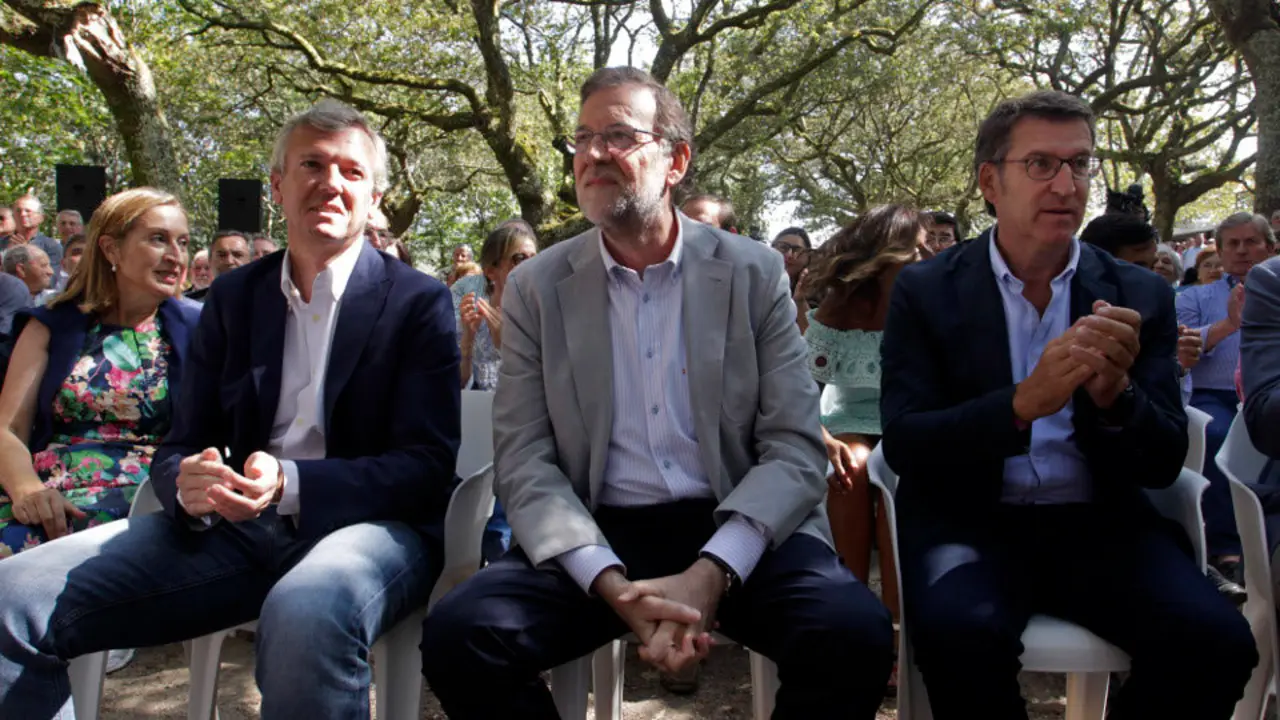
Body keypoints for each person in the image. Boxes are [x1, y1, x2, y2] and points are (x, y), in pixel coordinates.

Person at [421, 66, 894, 719]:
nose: (593, 153)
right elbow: (524, 458)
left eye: (618, 135)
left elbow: (793, 446)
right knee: (461, 637)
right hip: (593, 526)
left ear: (676, 161)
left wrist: (711, 572)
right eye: (582, 138)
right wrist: (611, 584)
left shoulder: (753, 273)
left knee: (854, 635)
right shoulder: (537, 288)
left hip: (738, 519)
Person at [0, 99, 461, 719]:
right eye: (312, 164)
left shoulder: (417, 302)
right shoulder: (234, 297)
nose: (331, 183)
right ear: (277, 185)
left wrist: (290, 481)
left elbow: (426, 466)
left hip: (373, 530)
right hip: (231, 533)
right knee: (13, 596)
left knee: (306, 611)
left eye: (351, 171)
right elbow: (180, 444)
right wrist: (188, 484)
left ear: (373, 196)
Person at [881, 89, 1256, 718]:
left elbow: (1163, 460)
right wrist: (1021, 404)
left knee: (1216, 642)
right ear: (990, 183)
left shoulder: (1137, 292)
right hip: (970, 523)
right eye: (1041, 164)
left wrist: (1115, 398)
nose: (1066, 184)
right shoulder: (927, 290)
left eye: (1080, 164)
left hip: (1101, 524)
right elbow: (908, 441)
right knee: (959, 636)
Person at [0, 188, 200, 556]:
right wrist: (29, 491)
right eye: (159, 239)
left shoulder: (198, 329)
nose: (176, 256)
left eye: (183, 242)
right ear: (111, 249)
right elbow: (8, 429)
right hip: (50, 493)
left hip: (150, 499)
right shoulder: (52, 325)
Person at [804, 204, 922, 692]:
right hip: (848, 426)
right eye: (916, 248)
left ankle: (895, 631)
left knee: (896, 476)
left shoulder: (927, 304)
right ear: (887, 253)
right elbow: (801, 396)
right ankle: (853, 620)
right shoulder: (839, 309)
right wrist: (821, 435)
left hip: (906, 427)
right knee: (848, 467)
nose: (925, 256)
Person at [1177, 212, 1276, 584]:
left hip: (1269, 392)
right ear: (1218, 250)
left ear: (1270, 247)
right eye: (1232, 244)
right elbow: (1182, 344)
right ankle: (1228, 548)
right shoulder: (1195, 296)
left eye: (1251, 242)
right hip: (1213, 396)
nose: (1242, 251)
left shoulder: (1275, 287)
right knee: (1217, 437)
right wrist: (1230, 324)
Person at [458, 220, 537, 391]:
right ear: (490, 271)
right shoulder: (473, 315)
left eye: (535, 258)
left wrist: (506, 347)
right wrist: (467, 343)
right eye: (520, 259)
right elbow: (459, 384)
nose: (532, 266)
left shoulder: (545, 315)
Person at [2, 196, 63, 270]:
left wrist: (27, 251)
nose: (23, 214)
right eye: (18, 211)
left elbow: (50, 275)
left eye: (28, 211)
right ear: (13, 216)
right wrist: (6, 254)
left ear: (41, 217)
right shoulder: (2, 243)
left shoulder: (51, 246)